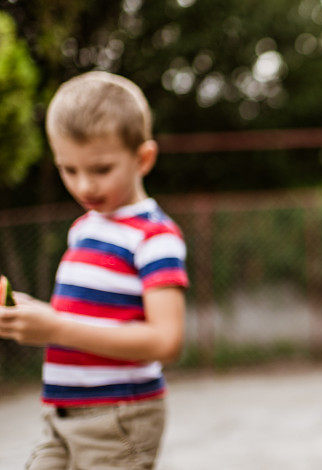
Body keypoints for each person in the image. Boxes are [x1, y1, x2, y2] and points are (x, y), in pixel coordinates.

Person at [0, 71, 189, 469]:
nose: (85, 185)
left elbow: (165, 340)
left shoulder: (155, 237)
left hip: (120, 417)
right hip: (61, 415)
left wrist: (54, 329)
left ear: (143, 158)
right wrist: (30, 314)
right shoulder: (83, 229)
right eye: (69, 170)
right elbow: (78, 318)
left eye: (101, 169)